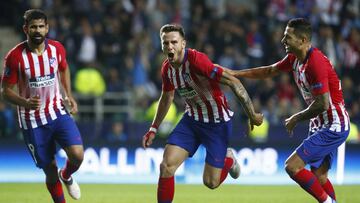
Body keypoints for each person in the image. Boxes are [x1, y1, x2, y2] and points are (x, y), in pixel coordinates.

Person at [227, 18, 349, 203]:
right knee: (319, 176)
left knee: (292, 167)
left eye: (288, 37)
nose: (283, 41)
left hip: (334, 124)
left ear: (303, 40)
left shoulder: (315, 63)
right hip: (321, 122)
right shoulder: (295, 58)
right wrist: (235, 74)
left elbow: (323, 104)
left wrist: (295, 118)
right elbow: (269, 71)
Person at [142, 24, 263, 203]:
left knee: (211, 182)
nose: (169, 46)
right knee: (166, 166)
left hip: (217, 123)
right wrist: (153, 128)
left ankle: (228, 158)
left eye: (174, 42)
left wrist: (251, 114)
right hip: (192, 121)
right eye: (165, 43)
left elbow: (233, 81)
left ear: (183, 44)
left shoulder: (197, 61)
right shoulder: (167, 69)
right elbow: (167, 97)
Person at [1, 9, 84, 203]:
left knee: (77, 155)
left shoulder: (57, 49)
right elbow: (5, 91)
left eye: (41, 26)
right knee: (50, 169)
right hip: (32, 121)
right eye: (33, 27)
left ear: (47, 28)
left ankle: (67, 175)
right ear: (25, 29)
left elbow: (64, 69)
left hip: (57, 112)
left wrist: (69, 95)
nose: (37, 30)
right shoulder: (15, 57)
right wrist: (25, 103)